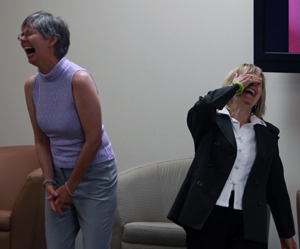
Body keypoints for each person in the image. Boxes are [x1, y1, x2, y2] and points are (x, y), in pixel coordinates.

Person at [168, 64, 297, 249]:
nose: (252, 85)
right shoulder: (210, 122)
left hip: (248, 221)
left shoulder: (266, 134)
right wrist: (236, 87)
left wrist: (286, 234)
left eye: (257, 83)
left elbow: (276, 186)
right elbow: (203, 106)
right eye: (247, 80)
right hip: (208, 216)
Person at [19, 11, 117, 249]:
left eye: (29, 33)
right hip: (58, 177)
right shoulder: (32, 85)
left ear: (52, 39)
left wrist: (70, 187)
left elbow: (93, 140)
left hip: (94, 175)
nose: (22, 39)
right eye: (20, 35)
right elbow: (41, 140)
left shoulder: (79, 79)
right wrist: (49, 182)